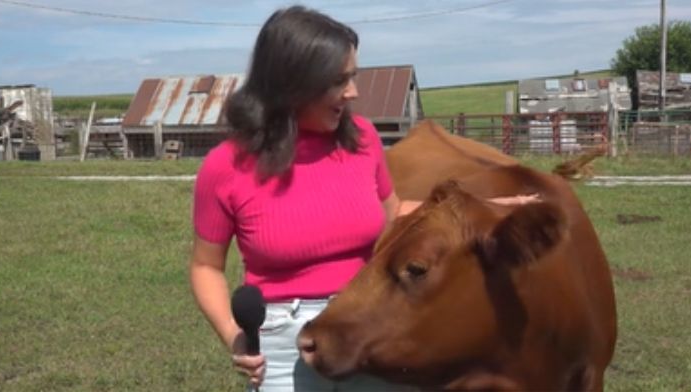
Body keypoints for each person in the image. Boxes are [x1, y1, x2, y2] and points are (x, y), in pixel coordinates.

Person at [190, 5, 537, 391]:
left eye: (352, 77)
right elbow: (206, 267)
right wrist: (233, 334)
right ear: (294, 83)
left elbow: (394, 215)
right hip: (283, 341)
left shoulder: (363, 138)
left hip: (371, 321)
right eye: (339, 81)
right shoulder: (224, 167)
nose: (353, 92)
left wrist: (483, 210)